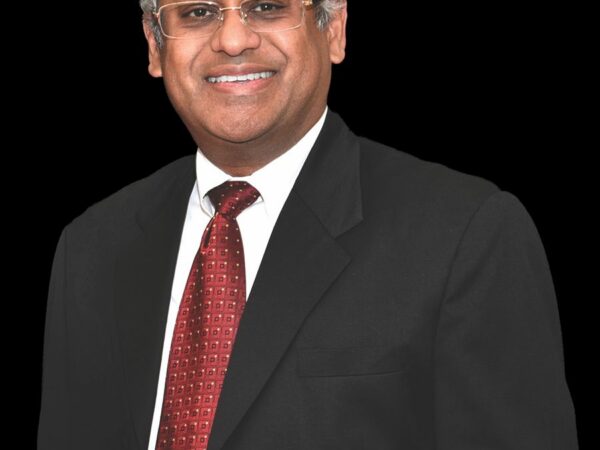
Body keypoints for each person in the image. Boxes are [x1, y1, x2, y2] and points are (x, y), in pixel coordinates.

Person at [37, 0, 579, 449]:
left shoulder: (466, 235)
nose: (233, 40)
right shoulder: (92, 248)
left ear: (334, 29)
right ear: (155, 47)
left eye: (266, 7)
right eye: (198, 12)